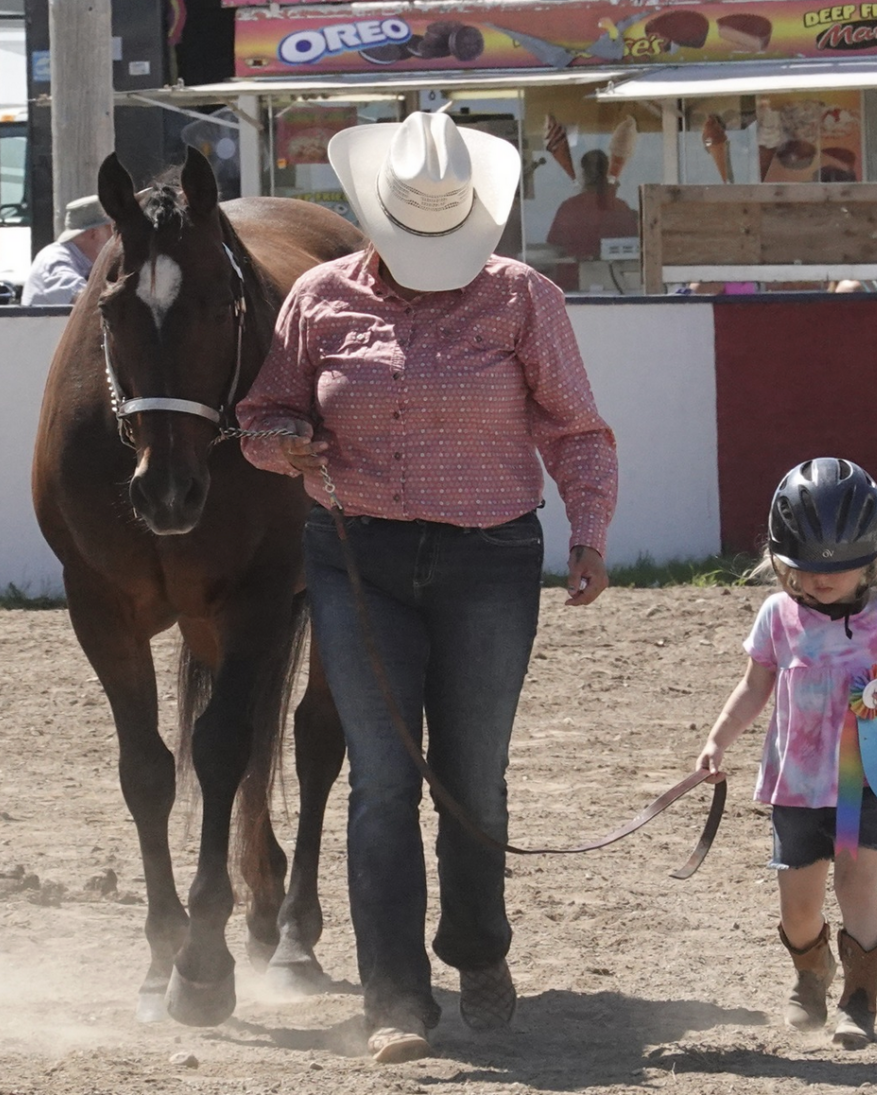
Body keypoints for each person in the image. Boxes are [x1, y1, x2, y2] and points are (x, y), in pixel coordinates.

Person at [237, 111, 618, 1064]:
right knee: (382, 777)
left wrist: (591, 532)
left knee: (473, 775)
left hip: (489, 560)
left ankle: (477, 944)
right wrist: (281, 441)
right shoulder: (320, 299)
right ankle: (396, 997)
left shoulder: (523, 299)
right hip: (356, 554)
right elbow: (264, 409)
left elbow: (577, 430)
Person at [694, 457, 877, 1049]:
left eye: (843, 568)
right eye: (805, 567)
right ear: (780, 560)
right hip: (795, 786)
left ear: (871, 559)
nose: (824, 579)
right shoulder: (779, 615)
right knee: (799, 908)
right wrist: (716, 740)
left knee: (858, 883)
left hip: (863, 781)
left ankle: (859, 1002)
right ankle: (811, 972)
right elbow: (754, 686)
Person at [545, 149, 638, 289]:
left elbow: (555, 248)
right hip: (615, 285)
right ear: (607, 172)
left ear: (583, 174)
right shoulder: (620, 207)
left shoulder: (569, 208)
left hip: (572, 285)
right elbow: (635, 246)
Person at [21, 195, 112, 306]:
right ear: (94, 234)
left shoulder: (85, 262)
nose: (118, 238)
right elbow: (85, 300)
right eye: (114, 230)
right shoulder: (55, 259)